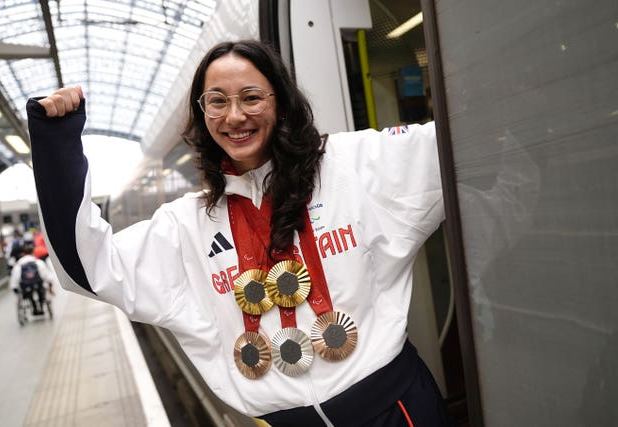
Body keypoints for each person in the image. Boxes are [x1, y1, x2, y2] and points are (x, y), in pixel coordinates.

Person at [26, 40, 451, 426]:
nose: (234, 116)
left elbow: (456, 142)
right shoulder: (186, 225)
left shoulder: (354, 164)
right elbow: (89, 268)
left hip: (397, 412)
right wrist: (56, 144)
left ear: (281, 103)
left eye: (251, 97)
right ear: (202, 112)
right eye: (217, 102)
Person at [9, 244, 56, 315]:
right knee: (41, 290)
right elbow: (47, 276)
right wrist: (50, 285)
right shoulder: (38, 262)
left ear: (23, 254)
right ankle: (41, 305)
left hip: (25, 286)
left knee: (27, 292)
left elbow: (15, 278)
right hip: (38, 284)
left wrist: (15, 289)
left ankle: (34, 307)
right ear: (32, 252)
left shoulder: (18, 265)